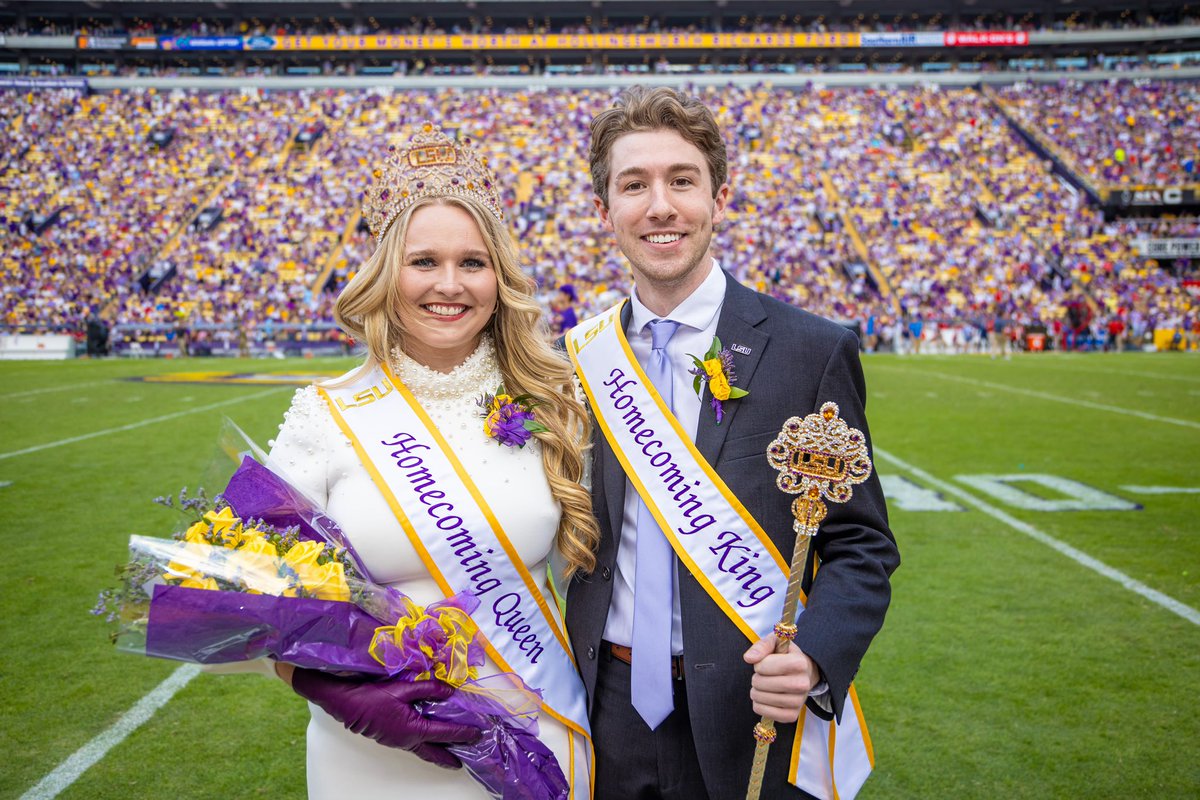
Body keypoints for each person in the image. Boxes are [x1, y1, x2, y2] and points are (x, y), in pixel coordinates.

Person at [563, 87, 899, 800]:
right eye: (634, 185)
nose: (660, 205)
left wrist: (814, 653)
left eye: (682, 180)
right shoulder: (572, 362)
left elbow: (862, 545)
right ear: (606, 212)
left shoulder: (812, 351)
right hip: (604, 705)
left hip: (752, 709)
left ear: (719, 199)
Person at [266, 124, 598, 798]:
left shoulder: (554, 403)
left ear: (498, 278)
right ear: (388, 272)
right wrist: (338, 691)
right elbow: (249, 605)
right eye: (424, 262)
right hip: (368, 756)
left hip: (535, 739)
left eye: (473, 263)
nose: (450, 285)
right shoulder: (324, 415)